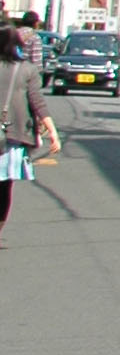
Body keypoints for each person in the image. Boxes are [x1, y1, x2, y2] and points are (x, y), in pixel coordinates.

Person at [0, 24, 58, 237]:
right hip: (11, 136)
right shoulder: (26, 69)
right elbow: (37, 103)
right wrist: (52, 131)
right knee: (4, 187)